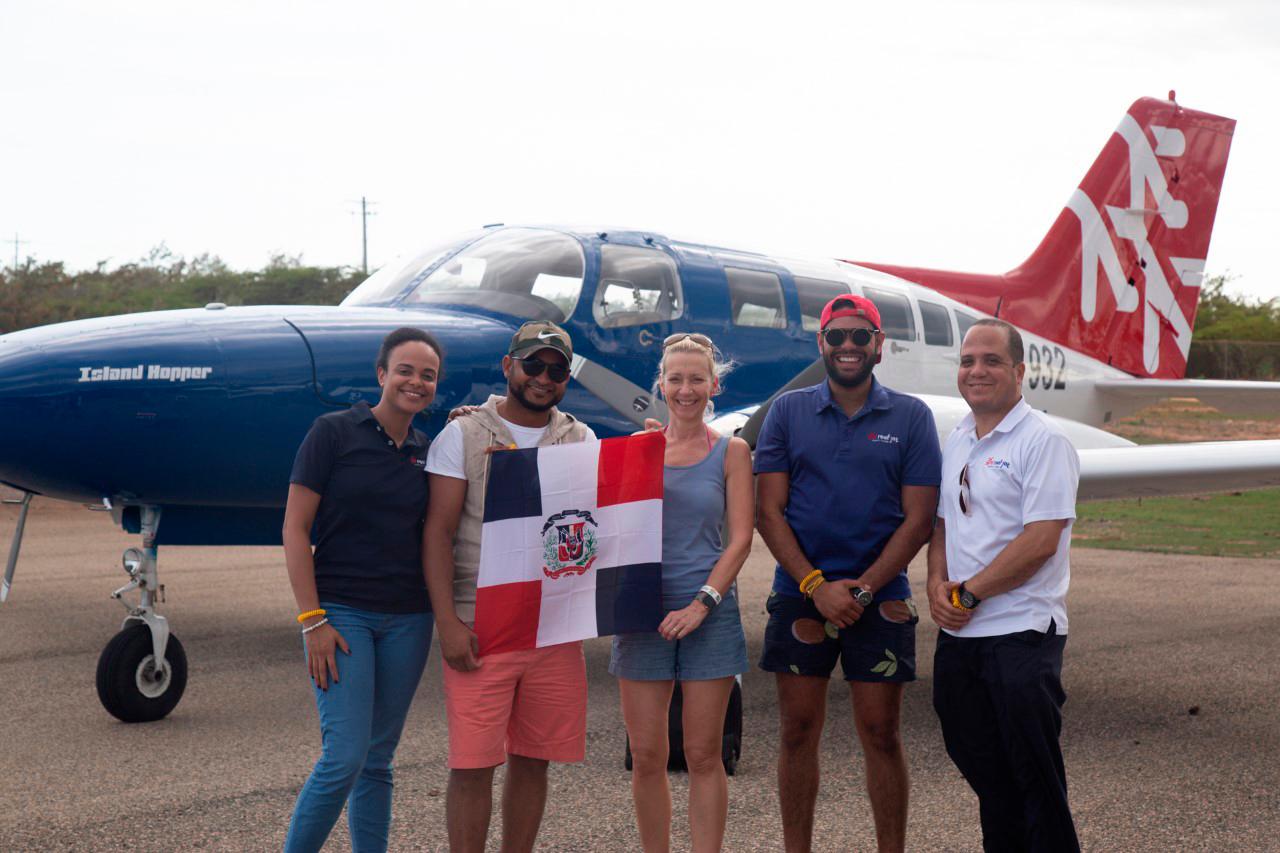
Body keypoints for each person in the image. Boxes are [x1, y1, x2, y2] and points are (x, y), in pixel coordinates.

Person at [754, 294, 940, 853]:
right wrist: (815, 586)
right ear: (822, 345)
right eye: (838, 337)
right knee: (796, 731)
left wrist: (860, 589)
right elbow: (769, 512)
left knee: (882, 734)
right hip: (800, 593)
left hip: (880, 597)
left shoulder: (911, 416)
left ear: (879, 346)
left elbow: (920, 518)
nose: (849, 347)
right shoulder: (787, 412)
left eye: (861, 337)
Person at [422, 320, 596, 853]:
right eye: (533, 364)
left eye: (557, 368)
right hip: (482, 623)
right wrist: (449, 623)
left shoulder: (581, 438)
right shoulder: (463, 433)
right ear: (508, 366)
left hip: (553, 627)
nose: (544, 377)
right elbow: (438, 532)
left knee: (533, 759)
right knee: (473, 764)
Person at [282, 327, 442, 853]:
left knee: (377, 759)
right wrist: (313, 621)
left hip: (410, 619)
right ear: (381, 375)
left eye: (427, 375)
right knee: (344, 756)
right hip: (341, 614)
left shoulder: (427, 450)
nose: (415, 382)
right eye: (405, 370)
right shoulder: (332, 433)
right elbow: (294, 530)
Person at [928, 319, 1082, 852]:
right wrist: (934, 582)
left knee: (1035, 782)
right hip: (962, 636)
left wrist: (968, 593)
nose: (977, 371)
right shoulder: (960, 438)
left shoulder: (1045, 439)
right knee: (990, 782)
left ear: (1019, 371)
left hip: (1022, 634)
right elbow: (944, 522)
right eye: (968, 361)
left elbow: (1041, 539)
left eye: (991, 361)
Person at [609, 332, 753, 853]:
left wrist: (702, 604)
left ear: (714, 384)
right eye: (676, 379)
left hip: (708, 615)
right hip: (641, 615)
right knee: (647, 755)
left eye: (697, 379)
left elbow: (740, 539)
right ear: (661, 385)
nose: (686, 389)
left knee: (702, 754)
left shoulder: (732, 452)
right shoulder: (637, 448)